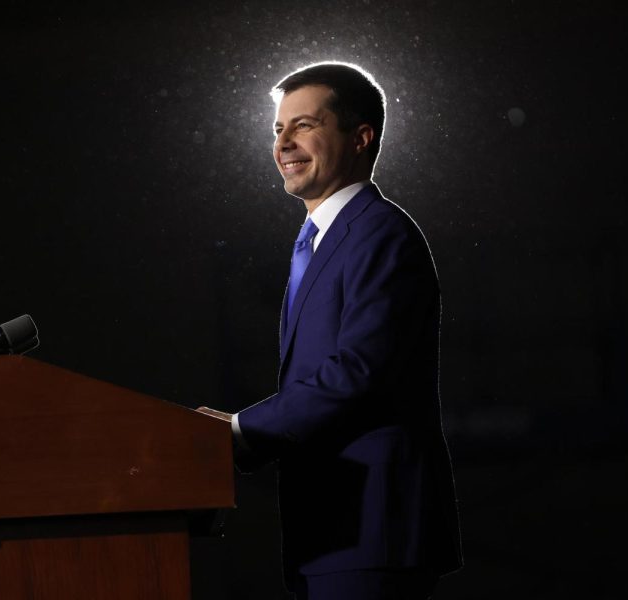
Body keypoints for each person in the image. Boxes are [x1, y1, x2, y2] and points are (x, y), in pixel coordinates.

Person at [197, 62, 463, 600]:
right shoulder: (320, 240)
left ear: (361, 138)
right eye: (278, 129)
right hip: (329, 530)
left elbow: (358, 372)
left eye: (305, 125)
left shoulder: (381, 234)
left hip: (372, 527)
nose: (285, 143)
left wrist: (241, 431)